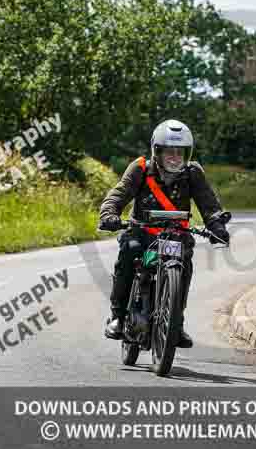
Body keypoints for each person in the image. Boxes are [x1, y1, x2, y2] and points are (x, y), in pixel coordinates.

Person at [98, 119, 230, 348]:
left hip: (175, 234)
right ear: (156, 151)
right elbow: (118, 194)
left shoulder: (192, 173)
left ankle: (175, 324)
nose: (175, 157)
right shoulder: (140, 168)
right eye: (169, 152)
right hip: (142, 232)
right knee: (129, 251)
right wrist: (109, 214)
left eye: (180, 153)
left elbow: (208, 202)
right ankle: (118, 316)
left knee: (184, 263)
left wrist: (217, 225)